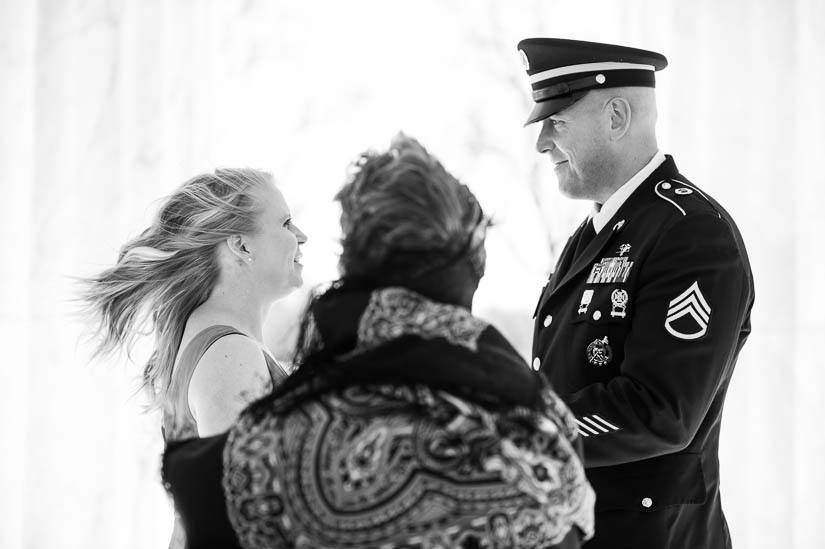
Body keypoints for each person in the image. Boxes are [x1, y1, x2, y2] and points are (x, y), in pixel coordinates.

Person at [161, 135, 595, 548]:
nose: (303, 235)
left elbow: (225, 504)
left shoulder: (293, 426)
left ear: (352, 257)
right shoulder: (540, 423)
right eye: (286, 222)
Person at [516, 38, 755, 548]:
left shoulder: (690, 232)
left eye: (556, 121)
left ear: (617, 116)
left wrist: (522, 429)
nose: (541, 143)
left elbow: (661, 410)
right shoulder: (596, 232)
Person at [80, 168, 307, 546]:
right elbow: (237, 517)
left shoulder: (216, 343)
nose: (302, 236)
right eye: (285, 223)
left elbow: (193, 520)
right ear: (242, 245)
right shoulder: (230, 353)